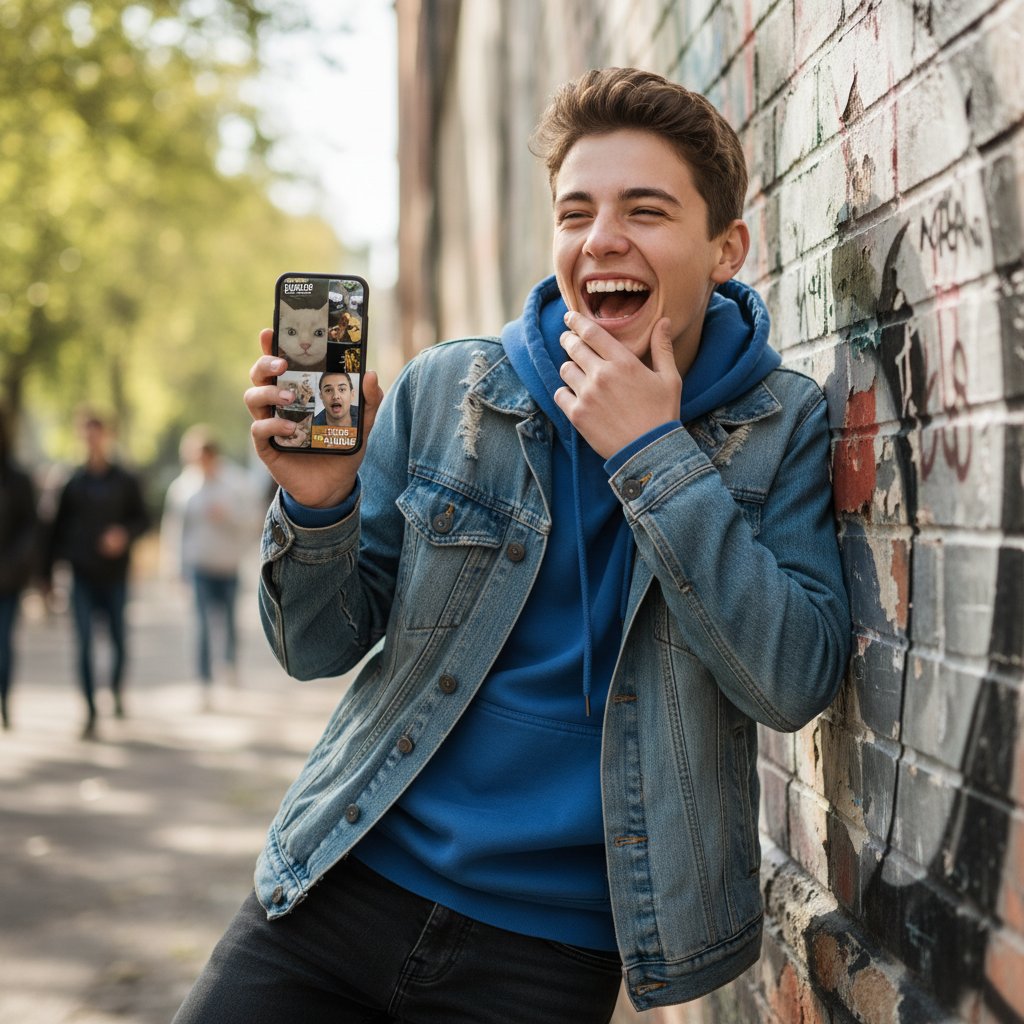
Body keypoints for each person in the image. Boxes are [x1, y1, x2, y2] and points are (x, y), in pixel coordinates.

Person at [173, 67, 851, 1022]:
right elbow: (313, 647)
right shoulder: (451, 392)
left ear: (725, 247)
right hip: (338, 887)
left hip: (545, 957)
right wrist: (317, 508)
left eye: (645, 211)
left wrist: (655, 457)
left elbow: (791, 679)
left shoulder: (782, 425)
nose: (602, 238)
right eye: (577, 213)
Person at [42, 413, 149, 739]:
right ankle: (89, 711)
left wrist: (123, 535)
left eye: (97, 434)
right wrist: (46, 577)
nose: (92, 440)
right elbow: (53, 531)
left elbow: (142, 520)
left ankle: (115, 691)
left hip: (115, 577)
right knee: (84, 643)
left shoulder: (125, 479)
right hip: (81, 577)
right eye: (86, 435)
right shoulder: (70, 481)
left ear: (106, 436)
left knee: (118, 640)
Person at [161, 426, 260, 704]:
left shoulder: (237, 482)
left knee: (229, 622)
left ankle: (229, 665)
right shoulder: (182, 488)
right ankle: (204, 680)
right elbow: (174, 530)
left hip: (228, 566)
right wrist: (173, 567)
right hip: (198, 567)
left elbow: (254, 521)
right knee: (201, 625)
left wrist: (228, 516)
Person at [0, 415, 39, 730]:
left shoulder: (17, 479)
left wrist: (15, 564)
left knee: (3, 642)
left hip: (7, 578)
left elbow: (31, 527)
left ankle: (4, 702)